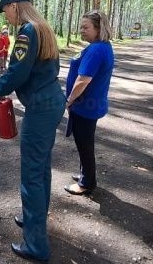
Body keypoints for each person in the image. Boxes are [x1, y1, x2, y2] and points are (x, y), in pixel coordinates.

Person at [0, 0, 65, 262]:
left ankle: (35, 245)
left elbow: (18, 71)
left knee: (31, 173)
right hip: (52, 101)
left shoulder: (27, 32)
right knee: (41, 167)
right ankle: (37, 219)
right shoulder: (42, 27)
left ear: (15, 6)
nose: (5, 16)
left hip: (41, 108)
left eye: (6, 10)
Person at [64, 10, 114, 196]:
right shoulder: (100, 46)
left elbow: (83, 80)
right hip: (87, 105)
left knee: (84, 144)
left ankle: (86, 183)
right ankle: (86, 174)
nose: (81, 31)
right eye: (81, 27)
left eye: (86, 27)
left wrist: (69, 101)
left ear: (98, 28)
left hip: (85, 106)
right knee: (85, 143)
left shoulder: (96, 49)